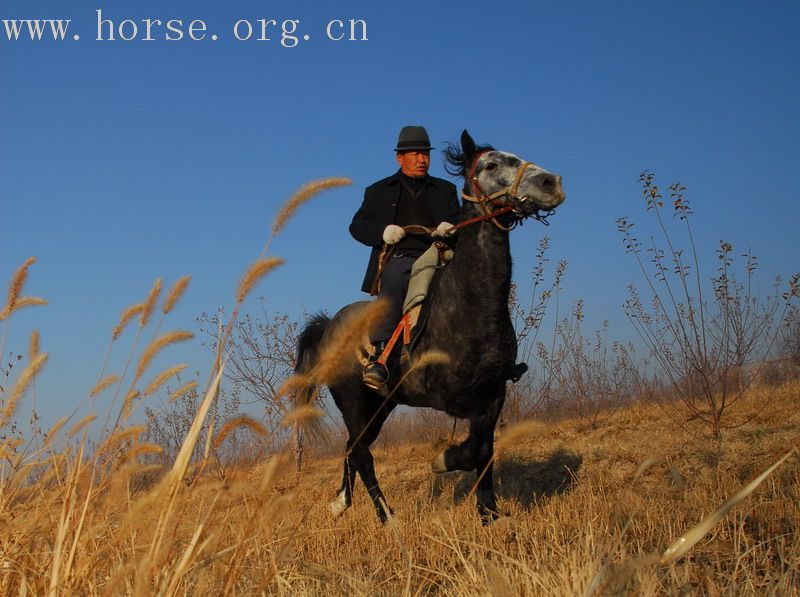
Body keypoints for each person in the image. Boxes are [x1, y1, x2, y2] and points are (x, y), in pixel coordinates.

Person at [349, 126, 460, 391]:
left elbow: (462, 223)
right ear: (400, 158)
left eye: (425, 154)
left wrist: (453, 228)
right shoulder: (377, 192)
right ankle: (381, 353)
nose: (422, 159)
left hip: (440, 256)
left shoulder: (445, 190)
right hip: (400, 257)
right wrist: (382, 232)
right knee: (396, 281)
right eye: (416, 154)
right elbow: (356, 226)